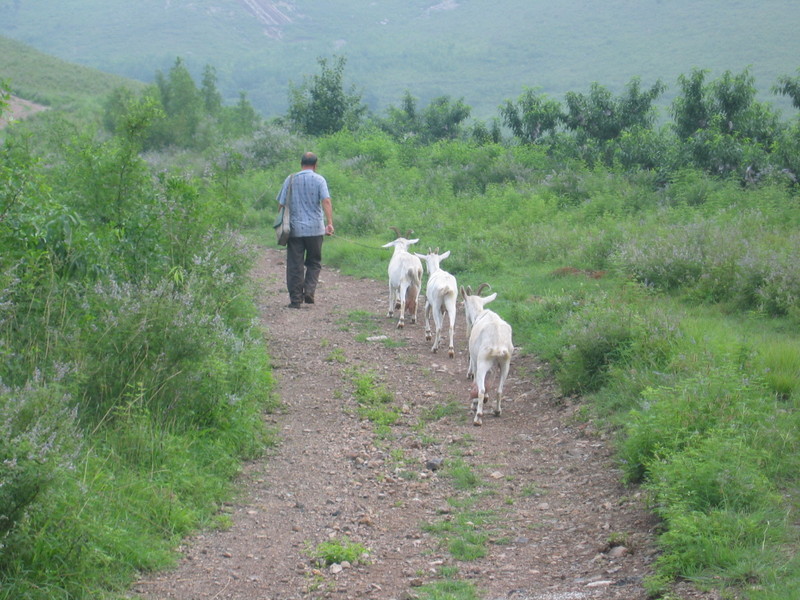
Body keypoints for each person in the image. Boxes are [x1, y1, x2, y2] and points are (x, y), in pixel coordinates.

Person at [276, 152, 334, 308]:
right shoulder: (319, 179)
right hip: (315, 229)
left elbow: (281, 204)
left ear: (301, 164)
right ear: (315, 165)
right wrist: (329, 223)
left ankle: (295, 300)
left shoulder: (290, 179)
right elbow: (326, 201)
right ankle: (309, 291)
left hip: (294, 230)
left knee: (295, 264)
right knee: (314, 262)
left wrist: (281, 222)